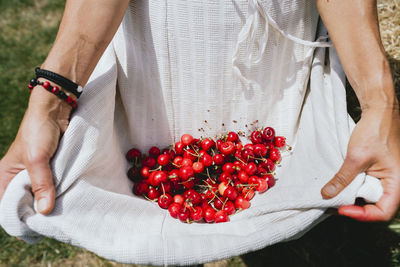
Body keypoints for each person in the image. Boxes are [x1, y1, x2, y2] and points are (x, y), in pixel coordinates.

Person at [0, 0, 398, 227]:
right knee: (155, 230)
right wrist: (50, 100)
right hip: (158, 40)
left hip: (278, 43)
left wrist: (381, 105)